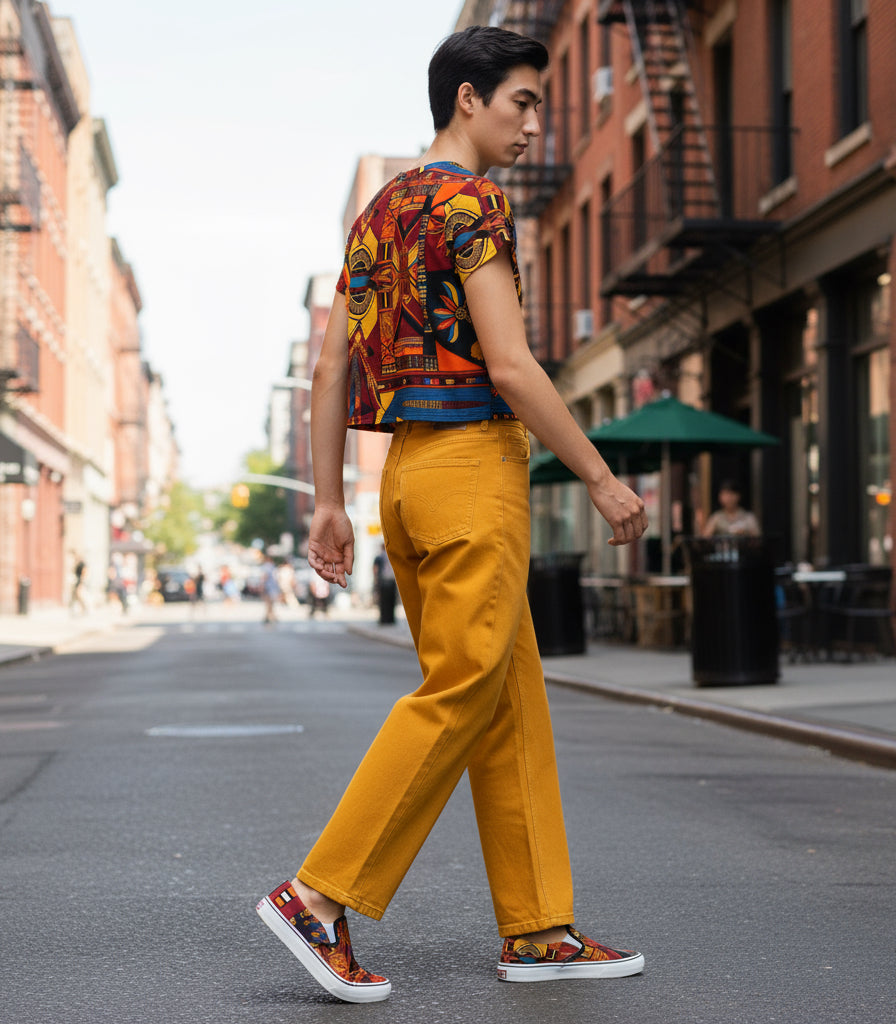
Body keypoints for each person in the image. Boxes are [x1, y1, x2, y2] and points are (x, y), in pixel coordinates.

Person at [256, 26, 648, 1004]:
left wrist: (333, 502)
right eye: (521, 101)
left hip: (406, 481)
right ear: (466, 99)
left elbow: (331, 368)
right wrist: (600, 475)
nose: (532, 122)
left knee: (505, 695)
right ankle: (318, 894)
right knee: (464, 687)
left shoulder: (377, 215)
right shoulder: (469, 201)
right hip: (471, 466)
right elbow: (510, 364)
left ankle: (537, 926)